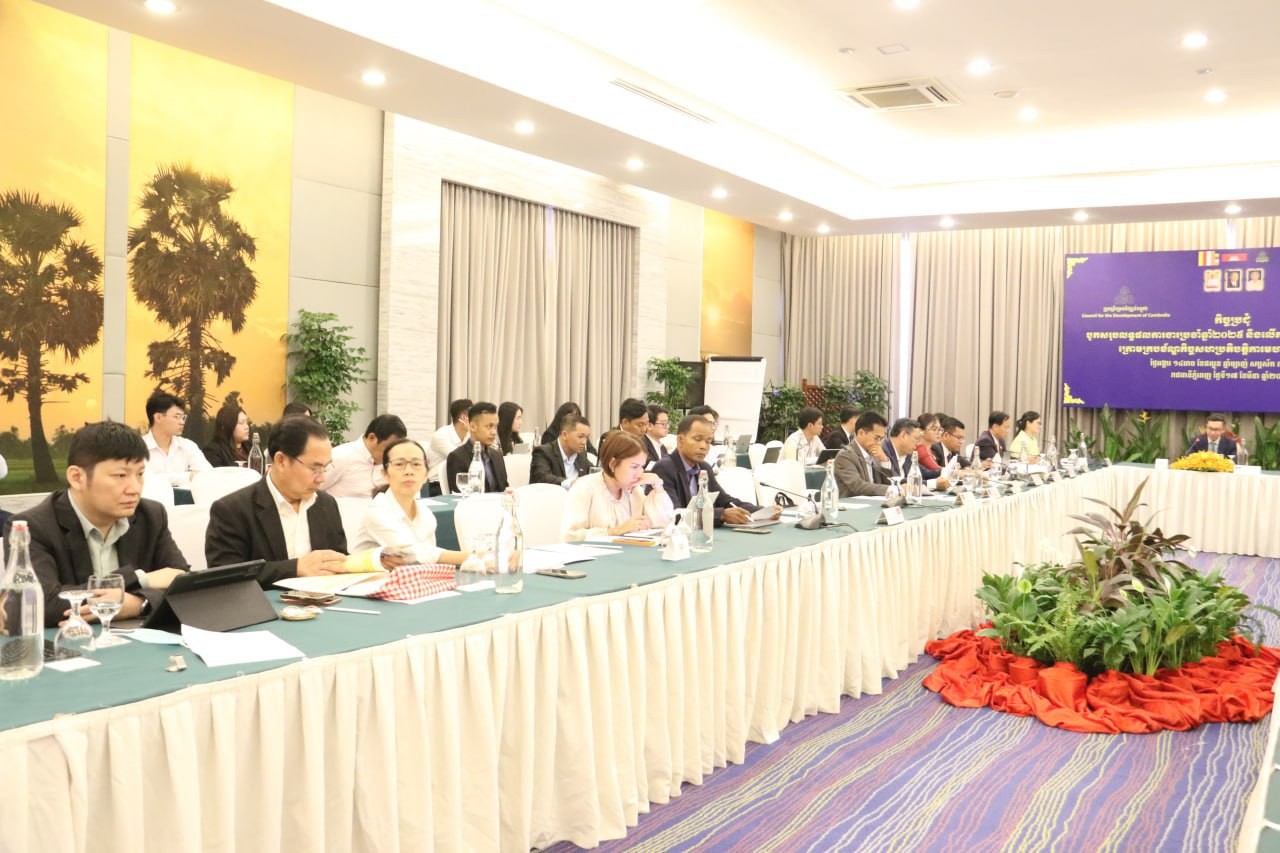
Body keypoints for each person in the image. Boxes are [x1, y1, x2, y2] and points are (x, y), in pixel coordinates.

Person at [3, 421, 188, 627]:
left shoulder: (150, 516)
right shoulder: (33, 527)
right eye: (120, 476)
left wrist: (138, 603)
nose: (135, 488)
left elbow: (185, 585)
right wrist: (137, 579)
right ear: (77, 478)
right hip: (69, 642)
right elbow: (37, 604)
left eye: (140, 474)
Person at [205, 416, 352, 587]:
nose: (322, 478)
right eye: (314, 468)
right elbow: (225, 577)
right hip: (264, 603)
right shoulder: (233, 510)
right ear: (281, 461)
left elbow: (338, 560)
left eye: (325, 468)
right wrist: (295, 568)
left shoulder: (326, 504)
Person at [354, 438, 469, 565]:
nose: (409, 471)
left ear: (426, 475)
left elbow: (426, 562)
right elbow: (410, 553)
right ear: (385, 474)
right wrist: (472, 557)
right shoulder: (378, 511)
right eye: (399, 464)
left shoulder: (425, 513)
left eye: (416, 464)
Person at [653, 415, 779, 526]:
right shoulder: (664, 468)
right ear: (680, 440)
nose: (704, 446)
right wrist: (721, 515)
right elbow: (673, 515)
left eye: (708, 441)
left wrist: (763, 511)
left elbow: (725, 501)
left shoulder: (704, 468)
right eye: (697, 439)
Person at [563, 432, 674, 541]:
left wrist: (657, 485)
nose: (640, 473)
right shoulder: (585, 488)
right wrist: (615, 531)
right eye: (634, 467)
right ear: (613, 464)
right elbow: (569, 536)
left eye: (642, 467)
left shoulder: (634, 491)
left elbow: (663, 523)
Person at [320, 414, 407, 499]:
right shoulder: (341, 457)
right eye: (388, 448)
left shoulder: (391, 464)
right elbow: (314, 491)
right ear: (372, 437)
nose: (392, 455)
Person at [143, 390, 211, 487]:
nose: (182, 422)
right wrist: (188, 476)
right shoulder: (138, 448)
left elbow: (208, 475)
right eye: (177, 417)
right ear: (158, 417)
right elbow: (145, 480)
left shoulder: (188, 446)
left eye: (183, 417)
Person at [445, 401, 509, 493]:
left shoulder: (497, 455)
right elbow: (459, 495)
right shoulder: (457, 457)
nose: (494, 432)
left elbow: (504, 488)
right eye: (489, 426)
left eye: (495, 427)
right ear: (472, 427)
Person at [833, 411, 892, 498]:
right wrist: (890, 489)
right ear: (861, 433)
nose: (879, 443)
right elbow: (857, 486)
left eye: (881, 439)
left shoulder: (876, 453)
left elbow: (888, 483)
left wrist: (884, 460)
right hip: (852, 504)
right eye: (876, 438)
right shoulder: (845, 455)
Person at [530, 414, 591, 488]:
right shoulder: (543, 452)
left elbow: (593, 472)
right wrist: (571, 483)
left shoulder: (581, 454)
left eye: (586, 437)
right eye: (580, 437)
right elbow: (542, 477)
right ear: (564, 435)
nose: (584, 442)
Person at [427, 398, 472, 496]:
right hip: (437, 484)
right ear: (464, 418)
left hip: (462, 482)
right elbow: (459, 458)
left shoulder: (469, 435)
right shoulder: (441, 435)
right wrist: (474, 433)